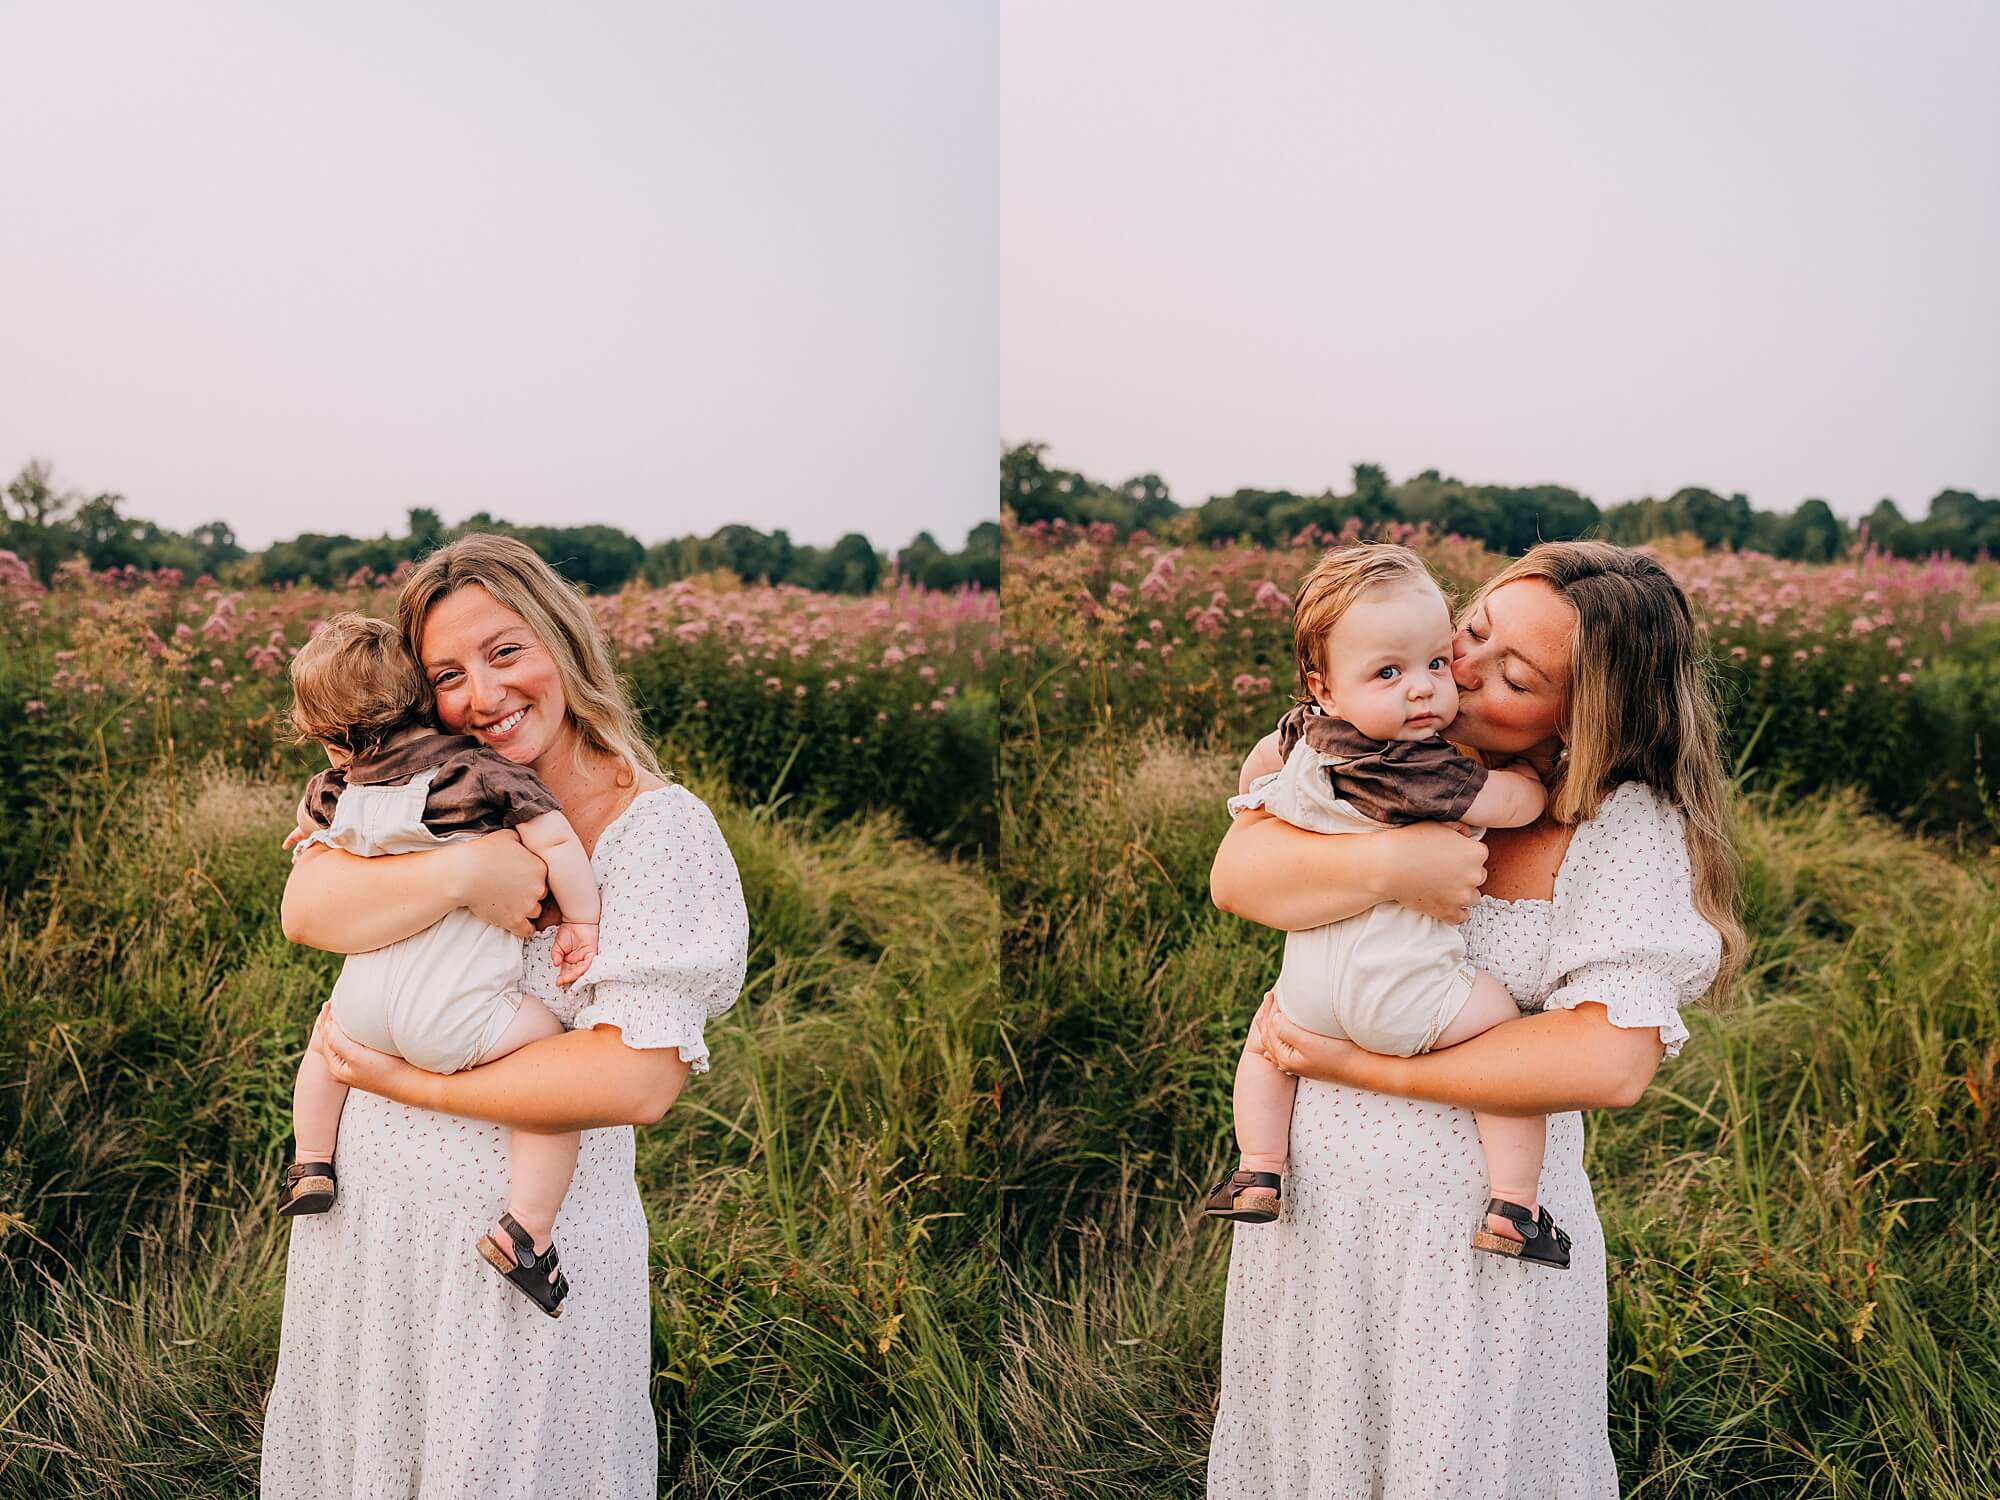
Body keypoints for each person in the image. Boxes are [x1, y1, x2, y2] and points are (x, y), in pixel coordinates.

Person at [1205, 540, 1743, 1497]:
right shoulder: (1361, 741)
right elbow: (1237, 875)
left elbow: (1609, 1063)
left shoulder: (1619, 827)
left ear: (1583, 718)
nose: (1461, 667)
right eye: (1475, 629)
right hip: (1322, 1215)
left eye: (1514, 674)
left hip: (1475, 1246)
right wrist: (1386, 869)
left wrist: (1364, 1067)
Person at [261, 534, 748, 1500]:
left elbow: (635, 1081)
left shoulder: (657, 830)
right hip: (374, 1220)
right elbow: (304, 911)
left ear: (563, 645)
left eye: (505, 651)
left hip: (515, 1249)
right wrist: (462, 872)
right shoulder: (415, 790)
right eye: (447, 673)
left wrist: (409, 1083)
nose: (482, 695)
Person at [1205, 544, 1558, 1268]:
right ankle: (1515, 1206)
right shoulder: (1418, 766)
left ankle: (1258, 1167)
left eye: (1434, 662)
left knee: (1265, 1043)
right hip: (1402, 991)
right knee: (1506, 1038)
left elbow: (1255, 772)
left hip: (1308, 993)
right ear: (1325, 686)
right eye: (1389, 673)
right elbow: (1515, 807)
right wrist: (1529, 776)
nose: (1423, 691)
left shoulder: (1304, 735)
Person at [277, 611, 602, 1319]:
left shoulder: (335, 792)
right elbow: (556, 845)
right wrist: (580, 919)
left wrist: (306, 835)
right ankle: (527, 1233)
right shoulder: (480, 773)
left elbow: (309, 828)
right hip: (454, 1017)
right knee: (555, 1059)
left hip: (364, 1015)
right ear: (423, 698)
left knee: (323, 1038)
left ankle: (311, 1161)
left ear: (333, 738)